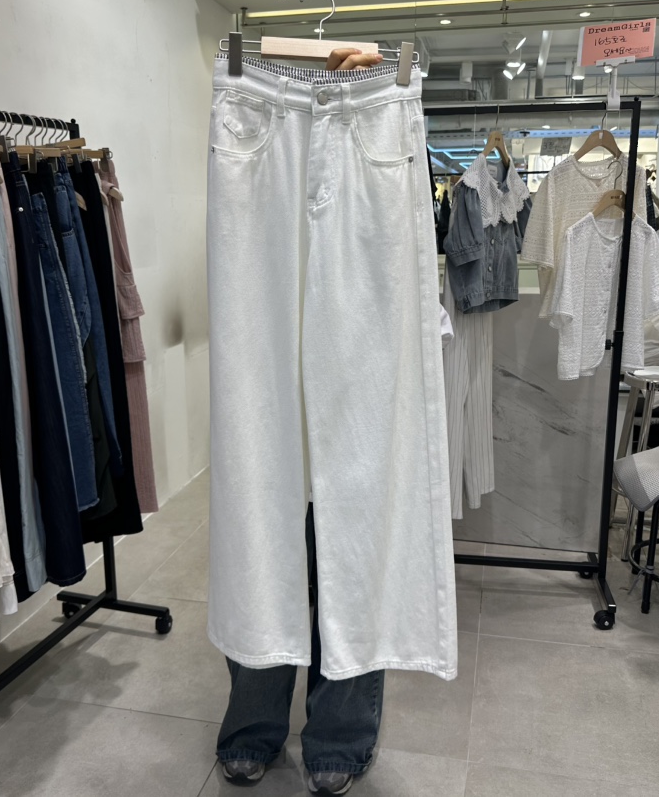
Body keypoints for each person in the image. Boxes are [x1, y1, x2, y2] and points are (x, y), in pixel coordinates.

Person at [216, 48, 386, 797]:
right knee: (261, 523)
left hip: (372, 127)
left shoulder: (385, 104)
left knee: (352, 537)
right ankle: (253, 723)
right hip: (261, 127)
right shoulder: (251, 107)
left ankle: (340, 735)